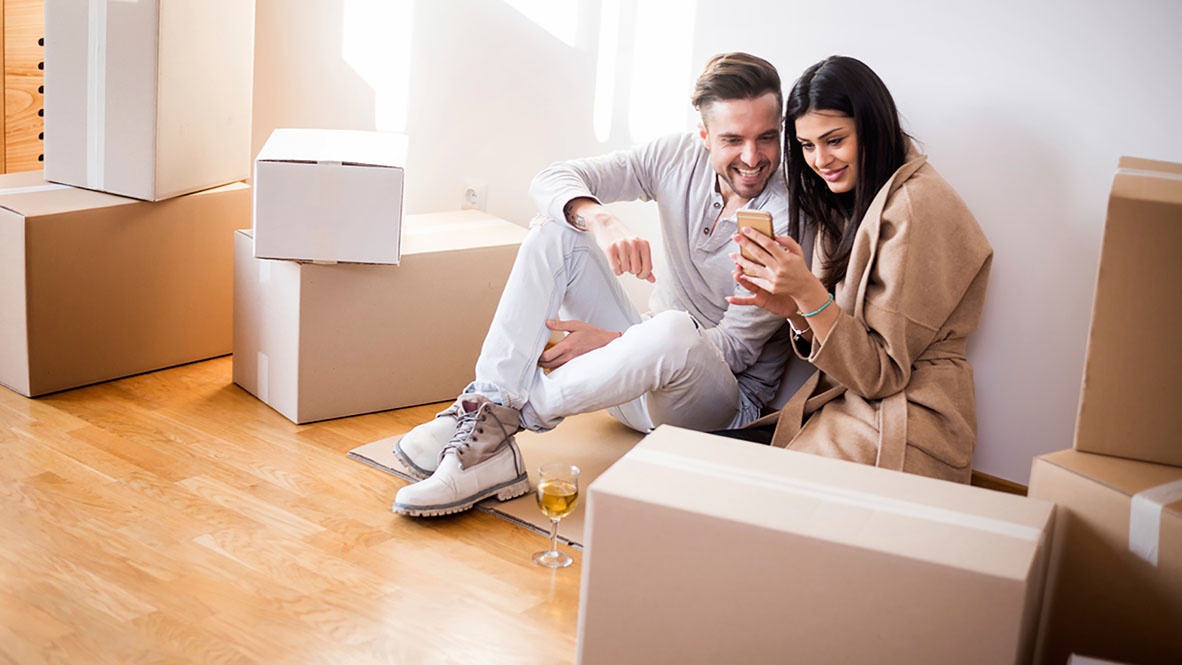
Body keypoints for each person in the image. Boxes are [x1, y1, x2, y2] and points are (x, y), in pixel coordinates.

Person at [392, 53, 794, 516]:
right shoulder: (676, 155)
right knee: (557, 227)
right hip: (631, 383)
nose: (752, 157)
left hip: (714, 410)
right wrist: (598, 216)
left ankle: (497, 424)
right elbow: (552, 178)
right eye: (732, 139)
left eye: (766, 137)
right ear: (703, 137)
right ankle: (490, 407)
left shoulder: (791, 214)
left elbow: (734, 351)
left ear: (780, 126)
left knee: (672, 330)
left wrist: (618, 342)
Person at [727, 56, 992, 483]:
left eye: (834, 140)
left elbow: (880, 373)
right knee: (697, 460)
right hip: (851, 403)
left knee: (746, 493)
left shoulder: (915, 208)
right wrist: (791, 307)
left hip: (907, 416)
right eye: (807, 146)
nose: (820, 160)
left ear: (871, 127)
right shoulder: (847, 201)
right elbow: (846, 351)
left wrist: (808, 292)